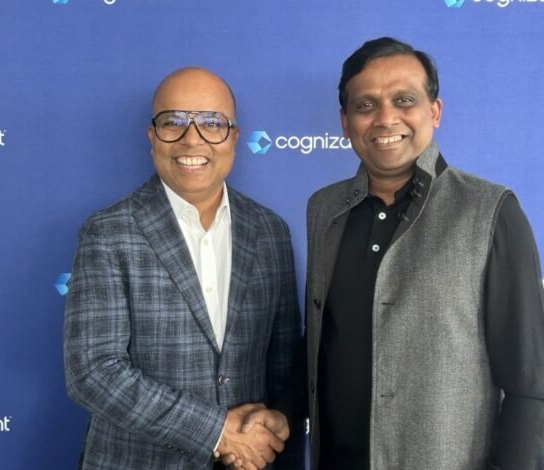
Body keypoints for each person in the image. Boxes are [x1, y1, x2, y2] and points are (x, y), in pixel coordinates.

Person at [303, 37, 544, 469]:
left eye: (404, 99)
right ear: (345, 122)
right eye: (366, 105)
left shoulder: (490, 212)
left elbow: (530, 384)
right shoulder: (324, 209)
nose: (385, 118)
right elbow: (324, 343)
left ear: (434, 111)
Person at [63, 67, 306, 470]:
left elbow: (284, 366)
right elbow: (93, 371)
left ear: (233, 137)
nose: (192, 139)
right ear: (152, 136)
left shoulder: (270, 231)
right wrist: (216, 431)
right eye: (173, 122)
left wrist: (278, 421)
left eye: (212, 123)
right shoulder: (108, 233)